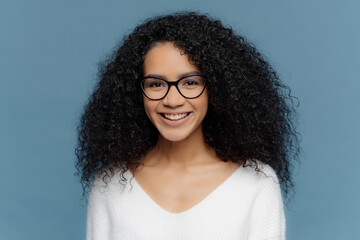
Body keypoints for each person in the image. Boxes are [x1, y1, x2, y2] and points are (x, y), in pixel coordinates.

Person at [75, 11, 300, 240]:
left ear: (216, 88)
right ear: (136, 93)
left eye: (190, 82)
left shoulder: (257, 183)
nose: (172, 101)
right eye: (155, 84)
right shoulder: (109, 184)